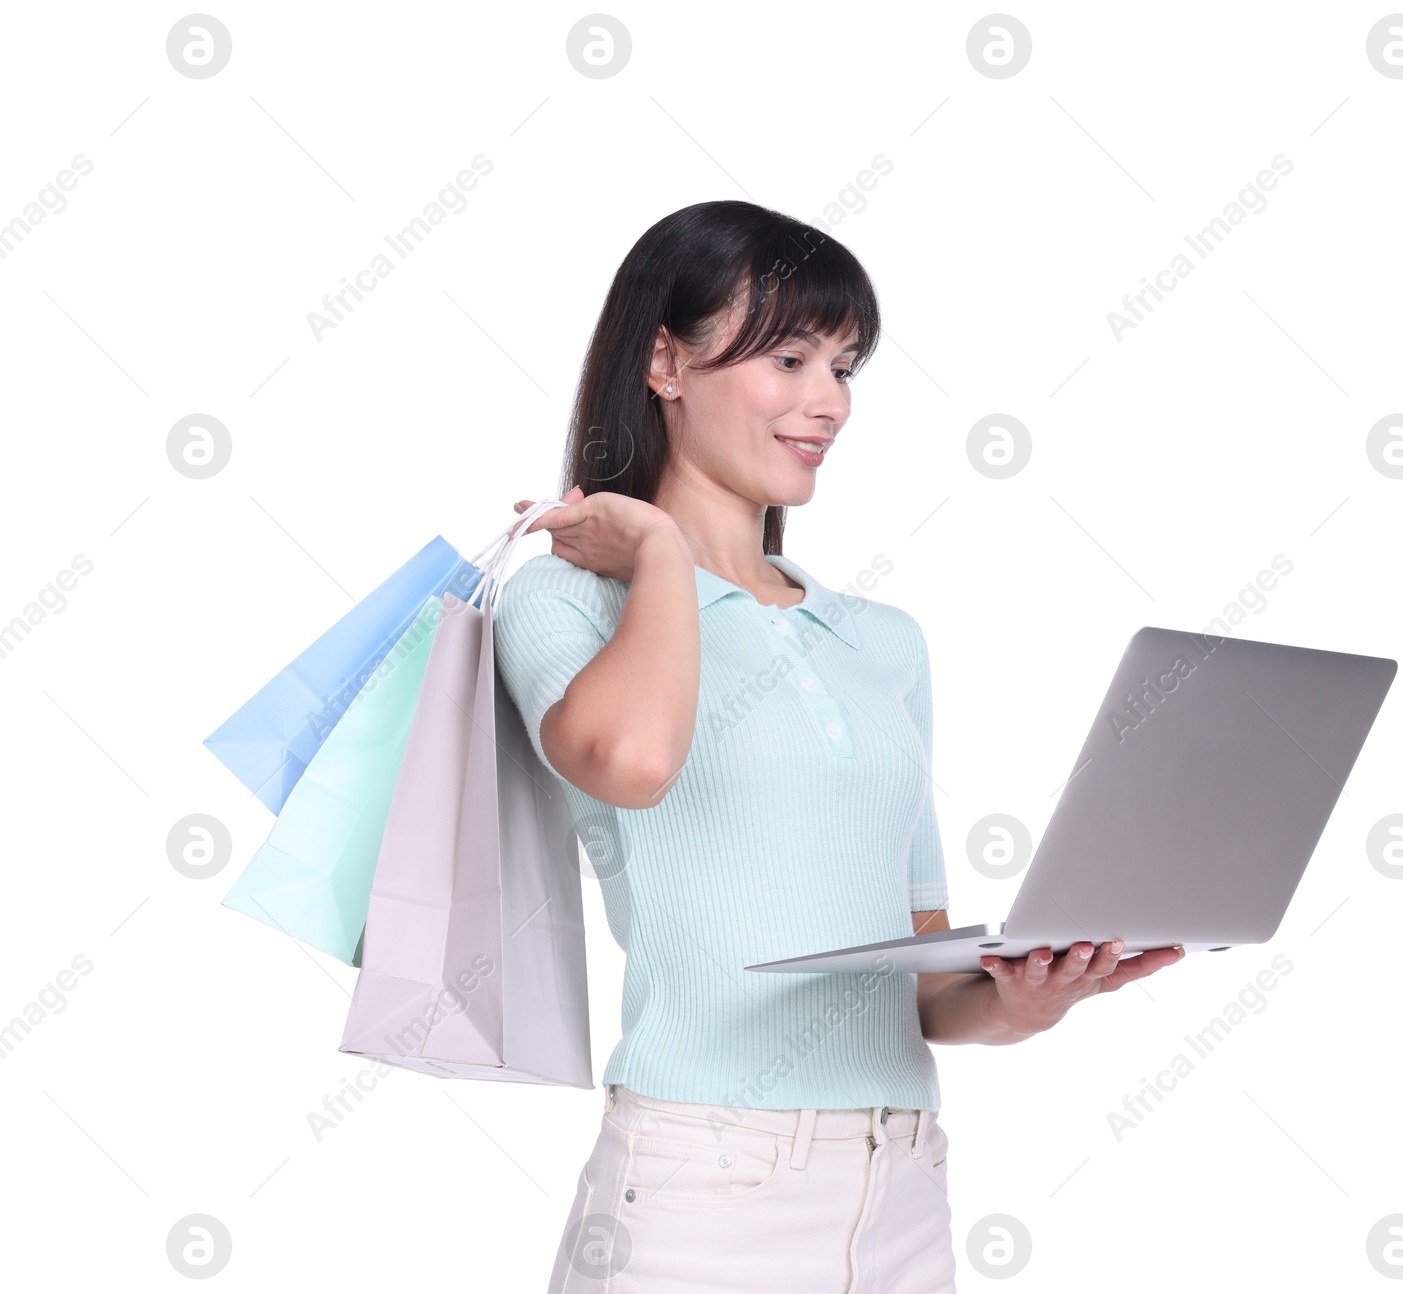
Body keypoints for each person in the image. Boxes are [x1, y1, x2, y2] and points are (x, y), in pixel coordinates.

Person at [493, 200, 1185, 1294]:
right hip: (699, 1184)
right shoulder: (567, 601)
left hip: (898, 1181)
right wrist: (662, 554)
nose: (829, 402)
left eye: (845, 366)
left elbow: (916, 970)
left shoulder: (883, 643)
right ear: (665, 361)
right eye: (789, 357)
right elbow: (629, 761)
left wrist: (1021, 1001)